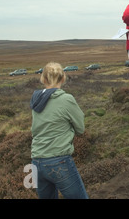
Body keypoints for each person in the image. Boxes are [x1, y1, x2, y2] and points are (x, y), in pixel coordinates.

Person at [30, 62, 88, 199]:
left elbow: (35, 130)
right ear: (63, 78)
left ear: (43, 79)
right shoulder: (66, 99)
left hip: (36, 161)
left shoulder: (36, 100)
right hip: (58, 161)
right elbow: (80, 129)